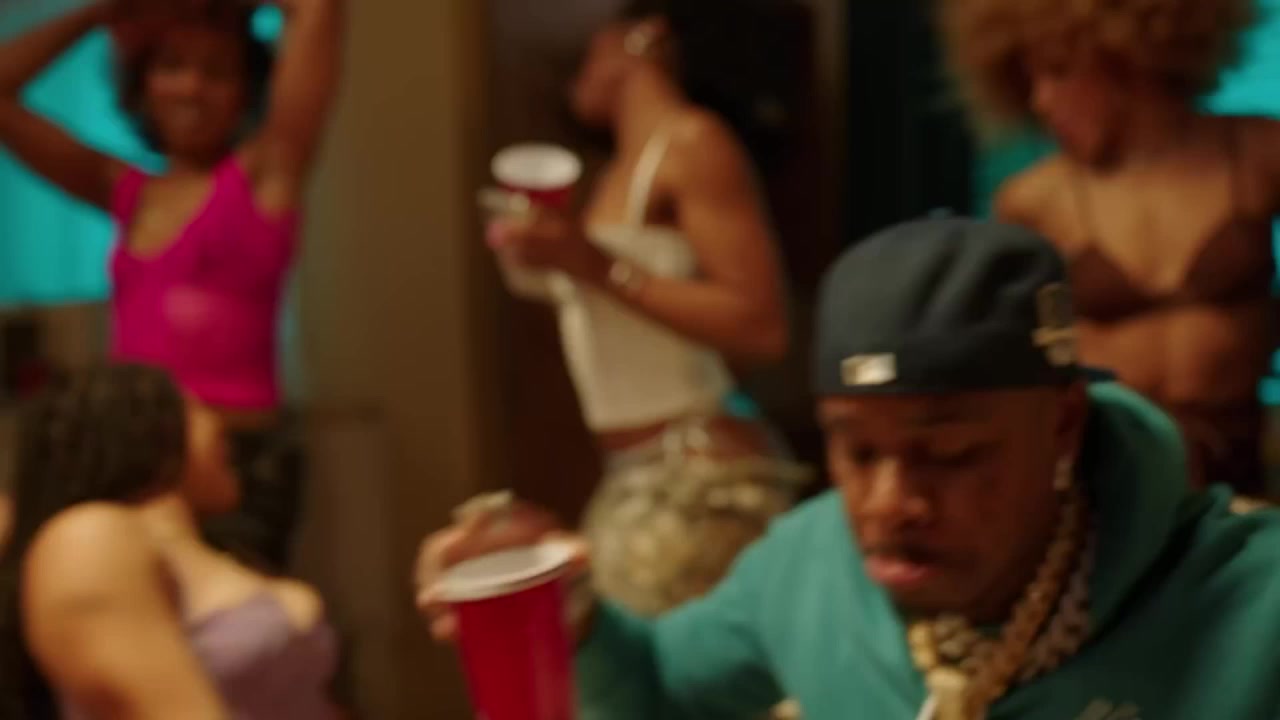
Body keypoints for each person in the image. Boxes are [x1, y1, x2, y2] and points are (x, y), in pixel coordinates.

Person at [418, 218, 1280, 720]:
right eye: (856, 450)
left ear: (1061, 425)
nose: (888, 502)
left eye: (950, 453)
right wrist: (573, 620)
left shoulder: (1250, 605)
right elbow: (656, 689)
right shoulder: (808, 564)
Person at [484, 0, 808, 616]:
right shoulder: (614, 175)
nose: (576, 69)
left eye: (591, 45)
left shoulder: (692, 142)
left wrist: (594, 264)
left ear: (643, 35)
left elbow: (761, 325)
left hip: (696, 477)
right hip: (635, 473)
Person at [0, 0, 343, 570]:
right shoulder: (127, 193)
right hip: (133, 468)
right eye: (172, 65)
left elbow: (317, 11)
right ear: (142, 82)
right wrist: (102, 13)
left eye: (216, 71)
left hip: (237, 467)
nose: (191, 88)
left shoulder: (267, 173)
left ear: (245, 90)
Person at [938, 0, 1280, 495]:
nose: (1040, 100)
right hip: (1106, 471)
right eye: (1028, 80)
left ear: (1127, 57)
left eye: (1058, 72)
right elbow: (1001, 362)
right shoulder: (1034, 199)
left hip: (1238, 461)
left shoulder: (1255, 154)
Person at [0, 364, 342, 720]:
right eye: (192, 409)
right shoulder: (89, 538)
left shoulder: (222, 553)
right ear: (139, 430)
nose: (220, 425)